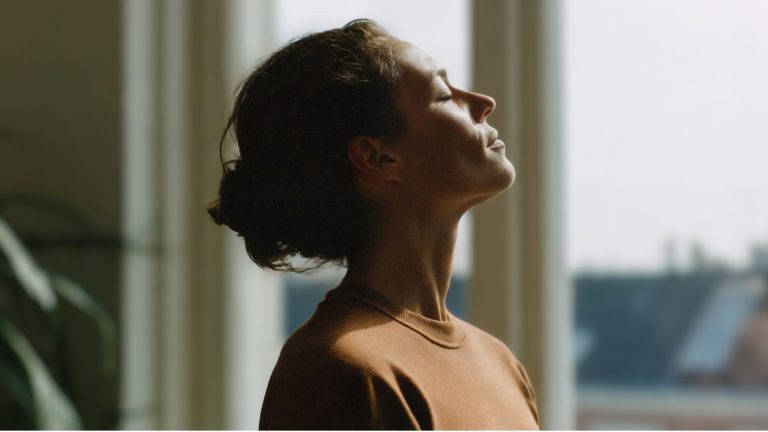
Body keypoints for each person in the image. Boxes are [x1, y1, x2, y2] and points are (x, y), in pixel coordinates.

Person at [208, 18, 540, 430]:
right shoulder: (337, 371)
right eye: (442, 95)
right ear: (377, 157)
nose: (482, 101)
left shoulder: (501, 364)